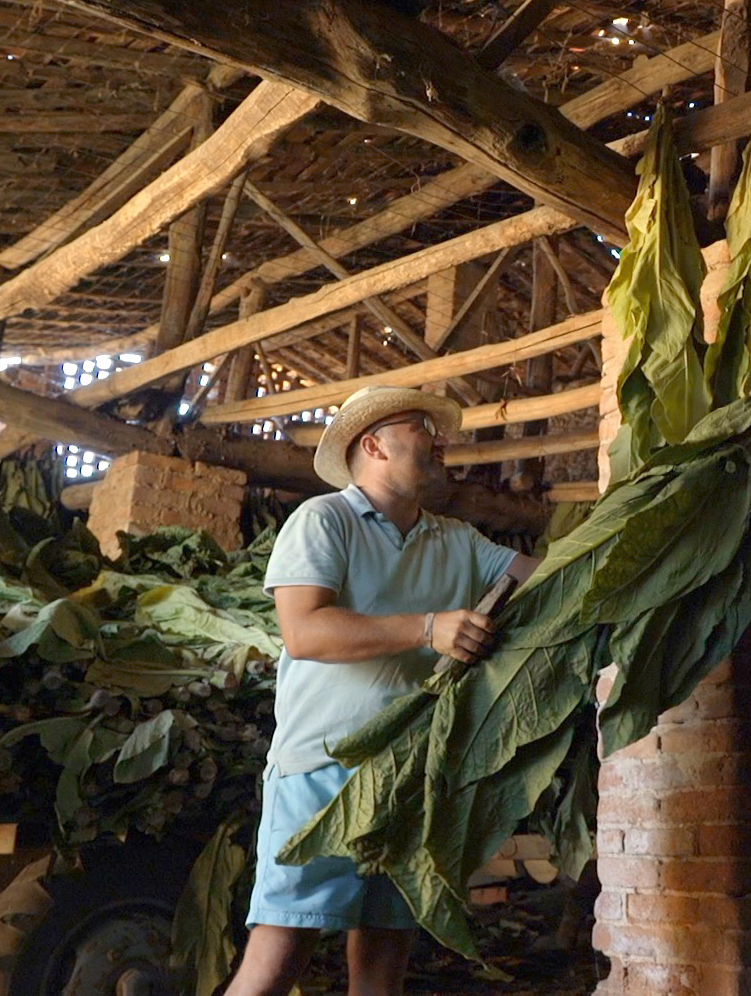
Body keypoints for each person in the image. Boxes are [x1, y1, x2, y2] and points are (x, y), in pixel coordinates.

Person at [224, 385, 539, 996]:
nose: (440, 440)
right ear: (374, 444)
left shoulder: (457, 540)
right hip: (322, 771)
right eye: (422, 426)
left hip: (410, 779)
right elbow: (305, 631)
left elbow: (546, 579)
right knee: (278, 957)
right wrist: (428, 628)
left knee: (383, 969)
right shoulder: (324, 521)